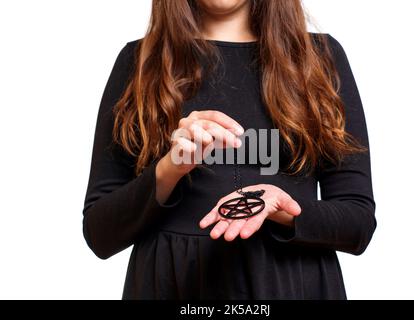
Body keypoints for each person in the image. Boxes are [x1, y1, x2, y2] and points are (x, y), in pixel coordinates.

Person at [82, 0, 376, 299]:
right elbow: (100, 234)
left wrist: (280, 208)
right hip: (173, 286)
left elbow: (358, 224)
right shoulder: (140, 62)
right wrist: (171, 168)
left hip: (291, 285)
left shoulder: (319, 58)